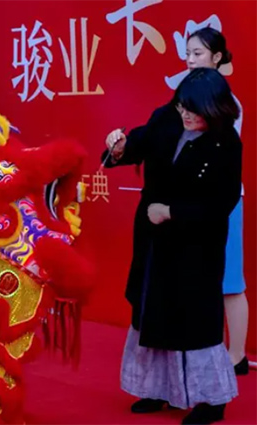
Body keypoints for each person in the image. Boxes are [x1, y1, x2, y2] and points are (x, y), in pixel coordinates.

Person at [103, 68, 241, 424]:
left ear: (215, 108)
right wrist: (120, 148)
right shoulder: (167, 116)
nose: (186, 115)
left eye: (194, 111)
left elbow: (222, 202)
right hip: (153, 239)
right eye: (182, 107)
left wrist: (172, 212)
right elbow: (138, 142)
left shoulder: (226, 142)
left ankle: (211, 400)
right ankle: (156, 388)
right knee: (150, 310)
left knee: (195, 320)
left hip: (196, 245)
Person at [184, 27, 249, 375]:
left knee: (230, 282)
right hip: (194, 203)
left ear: (217, 57)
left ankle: (236, 356)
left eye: (198, 53)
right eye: (188, 53)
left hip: (224, 202)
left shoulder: (227, 103)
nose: (191, 60)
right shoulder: (187, 99)